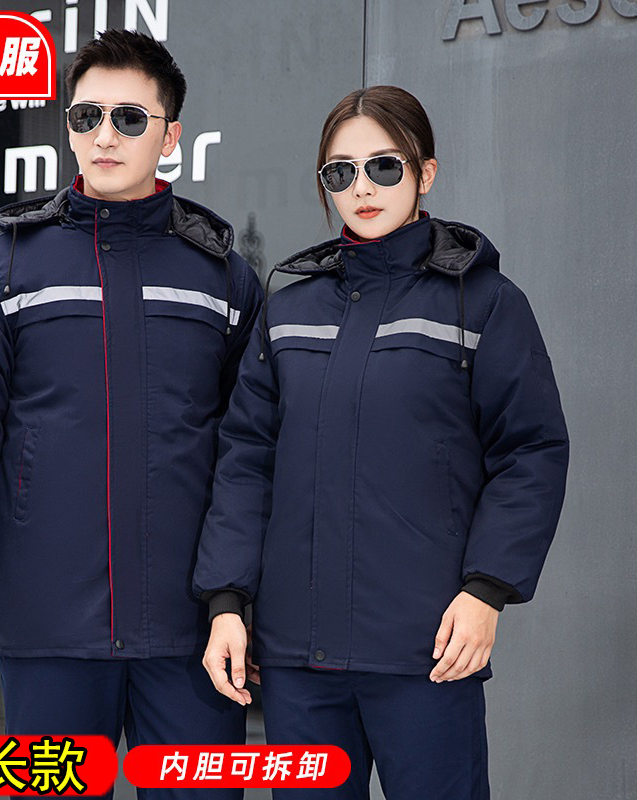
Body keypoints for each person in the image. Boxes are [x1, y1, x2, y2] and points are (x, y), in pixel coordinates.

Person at [0, 29, 262, 800]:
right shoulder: (4, 269)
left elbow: (249, 454)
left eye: (130, 119)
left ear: (171, 136)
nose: (105, 136)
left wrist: (232, 599)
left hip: (188, 634)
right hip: (51, 628)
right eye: (86, 116)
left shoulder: (223, 279)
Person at [193, 85, 570, 799]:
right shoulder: (289, 310)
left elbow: (531, 452)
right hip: (299, 660)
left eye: (384, 167)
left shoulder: (484, 303)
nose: (361, 188)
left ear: (426, 173)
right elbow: (246, 460)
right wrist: (226, 601)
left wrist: (486, 590)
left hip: (425, 651)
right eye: (340, 172)